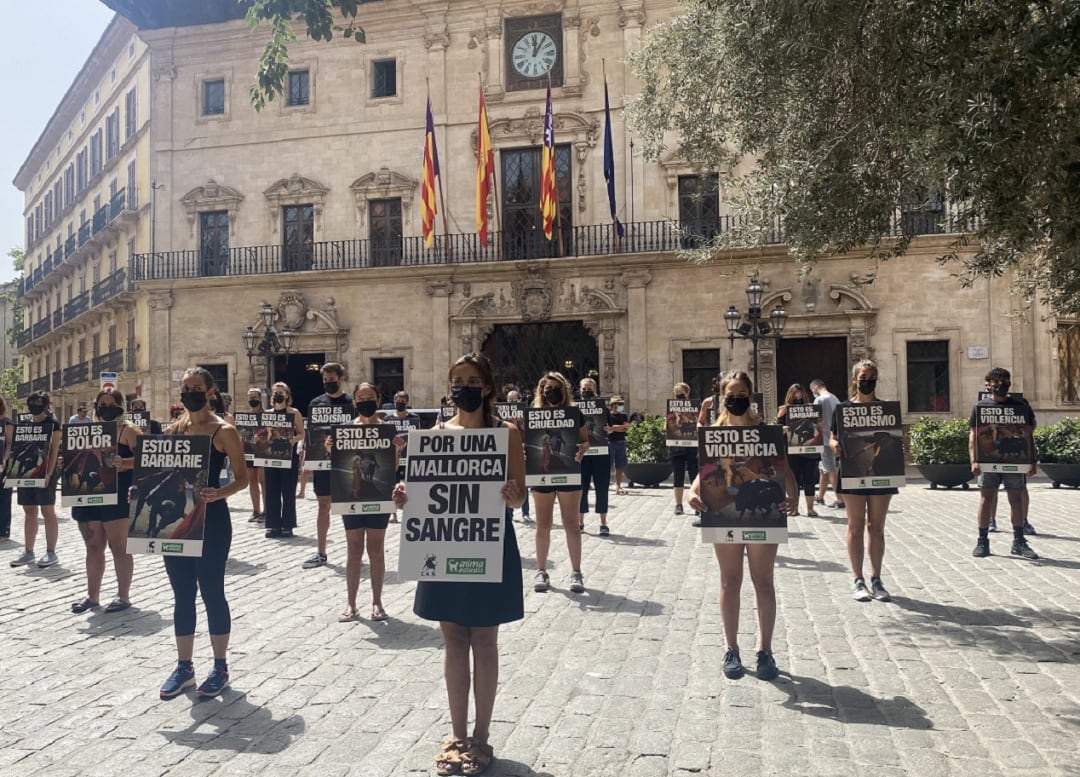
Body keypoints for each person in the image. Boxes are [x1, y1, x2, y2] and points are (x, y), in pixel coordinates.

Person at [395, 352, 525, 777]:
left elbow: (521, 494)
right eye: (456, 380)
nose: (462, 387)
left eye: (471, 379)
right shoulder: (434, 434)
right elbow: (421, 491)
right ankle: (456, 734)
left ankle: (482, 736)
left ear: (486, 386)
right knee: (452, 639)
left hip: (487, 544)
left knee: (485, 640)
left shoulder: (507, 435)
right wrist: (404, 496)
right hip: (444, 544)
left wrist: (513, 496)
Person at [687, 370, 796, 681]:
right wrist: (694, 491)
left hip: (763, 511)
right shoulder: (713, 433)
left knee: (763, 581)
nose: (736, 400)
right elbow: (704, 471)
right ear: (723, 399)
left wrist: (796, 493)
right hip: (724, 509)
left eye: (741, 395)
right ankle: (731, 648)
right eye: (730, 395)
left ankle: (765, 651)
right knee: (729, 581)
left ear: (750, 396)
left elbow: (783, 467)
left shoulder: (765, 432)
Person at [158, 367, 249, 700]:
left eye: (196, 387)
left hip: (212, 520)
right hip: (179, 521)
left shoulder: (224, 431)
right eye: (185, 388)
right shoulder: (172, 430)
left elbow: (242, 478)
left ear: (211, 391)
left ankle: (220, 666)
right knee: (182, 593)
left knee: (211, 590)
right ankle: (184, 666)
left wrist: (218, 493)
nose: (190, 393)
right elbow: (163, 475)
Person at [829, 360, 895, 602]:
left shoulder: (886, 410)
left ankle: (877, 579)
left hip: (881, 473)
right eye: (863, 376)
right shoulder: (842, 409)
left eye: (871, 376)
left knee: (876, 527)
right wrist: (834, 445)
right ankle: (858, 579)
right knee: (855, 526)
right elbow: (832, 437)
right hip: (852, 471)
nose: (867, 380)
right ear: (855, 379)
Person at [70, 389, 140, 613]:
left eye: (111, 404)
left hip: (118, 496)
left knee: (118, 547)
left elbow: (147, 459)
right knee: (93, 546)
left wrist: (125, 463)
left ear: (120, 406)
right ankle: (92, 596)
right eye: (102, 404)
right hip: (90, 495)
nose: (106, 408)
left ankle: (124, 596)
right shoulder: (86, 431)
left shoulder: (129, 431)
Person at [338, 383, 402, 622]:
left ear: (377, 399)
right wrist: (329, 448)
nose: (365, 401)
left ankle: (377, 602)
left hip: (378, 496)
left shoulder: (387, 429)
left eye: (370, 397)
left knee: (376, 550)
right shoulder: (344, 430)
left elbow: (392, 468)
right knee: (353, 549)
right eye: (360, 397)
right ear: (354, 401)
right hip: (351, 497)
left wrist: (397, 450)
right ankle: (351, 603)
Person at [970, 367, 1038, 560]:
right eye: (998, 381)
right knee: (986, 499)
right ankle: (982, 541)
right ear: (988, 385)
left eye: (1005, 380)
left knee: (1016, 500)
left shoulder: (1021, 405)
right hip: (988, 462)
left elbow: (1029, 432)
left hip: (1014, 461)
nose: (1002, 384)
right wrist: (974, 460)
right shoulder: (980, 407)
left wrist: (1032, 460)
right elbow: (973, 435)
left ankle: (1019, 541)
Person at [530, 371, 589, 593]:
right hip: (541, 472)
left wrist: (583, 448)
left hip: (569, 470)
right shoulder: (534, 415)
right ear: (542, 392)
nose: (551, 392)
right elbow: (527, 442)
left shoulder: (575, 414)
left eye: (555, 388)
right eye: (547, 389)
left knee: (571, 523)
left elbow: (584, 440)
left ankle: (576, 571)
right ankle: (542, 571)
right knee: (542, 524)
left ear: (563, 391)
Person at [303, 363, 354, 569]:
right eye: (325, 380)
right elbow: (311, 433)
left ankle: (354, 551)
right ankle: (321, 552)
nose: (328, 383)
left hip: (348, 463)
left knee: (349, 507)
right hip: (323, 462)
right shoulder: (316, 403)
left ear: (341, 379)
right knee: (323, 505)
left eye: (332, 379)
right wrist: (308, 460)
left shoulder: (352, 403)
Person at [6, 391, 62, 568]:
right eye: (32, 401)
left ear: (46, 405)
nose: (34, 405)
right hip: (26, 474)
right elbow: (16, 449)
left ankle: (51, 552)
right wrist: (10, 472)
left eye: (39, 402)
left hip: (45, 472)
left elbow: (53, 451)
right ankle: (28, 551)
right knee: (29, 511)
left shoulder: (53, 425)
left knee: (47, 510)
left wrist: (48, 474)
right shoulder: (23, 424)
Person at [263, 382, 305, 539]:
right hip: (271, 456)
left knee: (288, 491)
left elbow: (301, 433)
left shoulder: (294, 413)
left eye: (281, 391)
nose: (277, 394)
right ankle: (273, 525)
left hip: (288, 456)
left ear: (287, 395)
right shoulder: (267, 413)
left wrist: (292, 440)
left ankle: (288, 525)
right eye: (275, 392)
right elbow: (262, 434)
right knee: (271, 490)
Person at [777, 383, 820, 517]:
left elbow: (817, 425)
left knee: (809, 478)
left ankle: (810, 508)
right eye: (795, 398)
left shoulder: (811, 409)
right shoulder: (784, 410)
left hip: (809, 449)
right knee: (793, 478)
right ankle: (794, 507)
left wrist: (820, 424)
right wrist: (780, 417)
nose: (798, 400)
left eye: (800, 398)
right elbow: (777, 429)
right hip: (792, 448)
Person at [577, 377, 612, 536]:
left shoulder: (603, 408)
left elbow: (609, 426)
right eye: (584, 389)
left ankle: (603, 523)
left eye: (589, 389)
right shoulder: (575, 408)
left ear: (595, 390)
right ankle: (580, 522)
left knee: (602, 487)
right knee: (581, 489)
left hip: (600, 453)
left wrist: (609, 430)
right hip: (582, 455)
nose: (586, 392)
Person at [810, 379, 844, 509]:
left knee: (830, 470)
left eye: (813, 390)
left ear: (815, 388)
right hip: (834, 438)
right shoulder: (835, 398)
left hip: (824, 440)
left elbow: (813, 419)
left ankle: (840, 500)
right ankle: (820, 496)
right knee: (823, 469)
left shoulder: (819, 400)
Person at [671, 382, 700, 515]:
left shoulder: (695, 407)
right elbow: (670, 425)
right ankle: (678, 504)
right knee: (678, 474)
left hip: (692, 444)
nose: (679, 396)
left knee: (694, 473)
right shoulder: (671, 407)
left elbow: (698, 422)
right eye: (677, 394)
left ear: (687, 393)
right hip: (677, 445)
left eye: (681, 394)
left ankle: (696, 502)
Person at [243, 387, 266, 524]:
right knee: (252, 481)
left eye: (254, 398)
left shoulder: (266, 415)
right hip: (249, 451)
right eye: (250, 398)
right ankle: (255, 510)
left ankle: (266, 510)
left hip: (262, 451)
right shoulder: (245, 417)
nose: (252, 400)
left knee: (263, 481)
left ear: (260, 398)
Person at [607, 395, 629, 496]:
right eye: (619, 404)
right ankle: (606, 484)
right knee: (609, 465)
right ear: (613, 405)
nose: (621, 406)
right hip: (610, 442)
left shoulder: (623, 415)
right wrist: (620, 428)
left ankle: (618, 485)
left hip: (621, 441)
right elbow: (607, 428)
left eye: (621, 404)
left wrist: (614, 428)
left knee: (620, 465)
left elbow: (627, 427)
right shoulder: (608, 415)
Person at [0, 394, 12, 541]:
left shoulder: (7, 423)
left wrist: (5, 459)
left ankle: (3, 530)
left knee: (4, 497)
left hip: (3, 465)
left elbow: (9, 443)